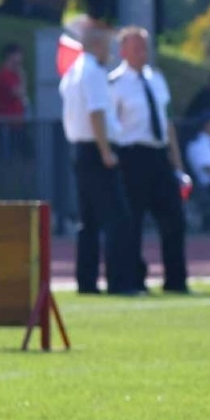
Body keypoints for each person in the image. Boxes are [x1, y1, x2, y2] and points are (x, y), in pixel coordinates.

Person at [109, 26, 190, 293]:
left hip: (158, 155)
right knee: (133, 220)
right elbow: (111, 125)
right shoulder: (115, 83)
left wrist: (178, 165)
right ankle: (135, 279)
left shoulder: (156, 79)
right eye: (137, 48)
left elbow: (166, 123)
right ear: (123, 51)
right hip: (132, 155)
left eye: (145, 47)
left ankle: (176, 280)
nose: (143, 53)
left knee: (174, 217)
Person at [60, 26, 136, 295]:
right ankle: (120, 282)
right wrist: (106, 151)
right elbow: (96, 113)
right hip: (96, 150)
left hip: (81, 149)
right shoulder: (92, 72)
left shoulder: (73, 71)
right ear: (97, 45)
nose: (111, 52)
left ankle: (87, 281)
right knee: (116, 218)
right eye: (107, 45)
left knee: (88, 221)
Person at [0, 42, 29, 161]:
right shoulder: (4, 74)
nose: (21, 59)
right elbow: (18, 93)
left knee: (21, 155)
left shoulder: (15, 75)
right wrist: (22, 77)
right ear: (10, 56)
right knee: (7, 156)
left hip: (17, 122)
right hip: (7, 122)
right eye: (19, 55)